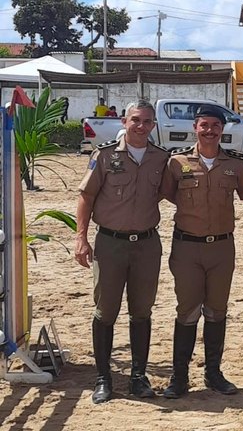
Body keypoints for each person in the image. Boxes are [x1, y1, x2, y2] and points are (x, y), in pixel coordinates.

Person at [159, 105, 243, 399]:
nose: (210, 131)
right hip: (187, 248)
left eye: (215, 126)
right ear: (195, 127)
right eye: (204, 125)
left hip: (222, 249)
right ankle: (179, 378)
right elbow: (166, 193)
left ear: (222, 129)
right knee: (187, 311)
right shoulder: (177, 163)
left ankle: (213, 374)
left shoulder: (235, 165)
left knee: (217, 311)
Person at [75, 99, 169, 404]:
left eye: (147, 122)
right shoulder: (104, 155)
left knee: (142, 311)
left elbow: (174, 192)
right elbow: (86, 197)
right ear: (124, 122)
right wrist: (81, 238)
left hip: (146, 244)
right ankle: (104, 379)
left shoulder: (161, 158)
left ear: (154, 125)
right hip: (110, 244)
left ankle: (138, 378)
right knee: (106, 311)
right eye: (135, 120)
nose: (141, 127)